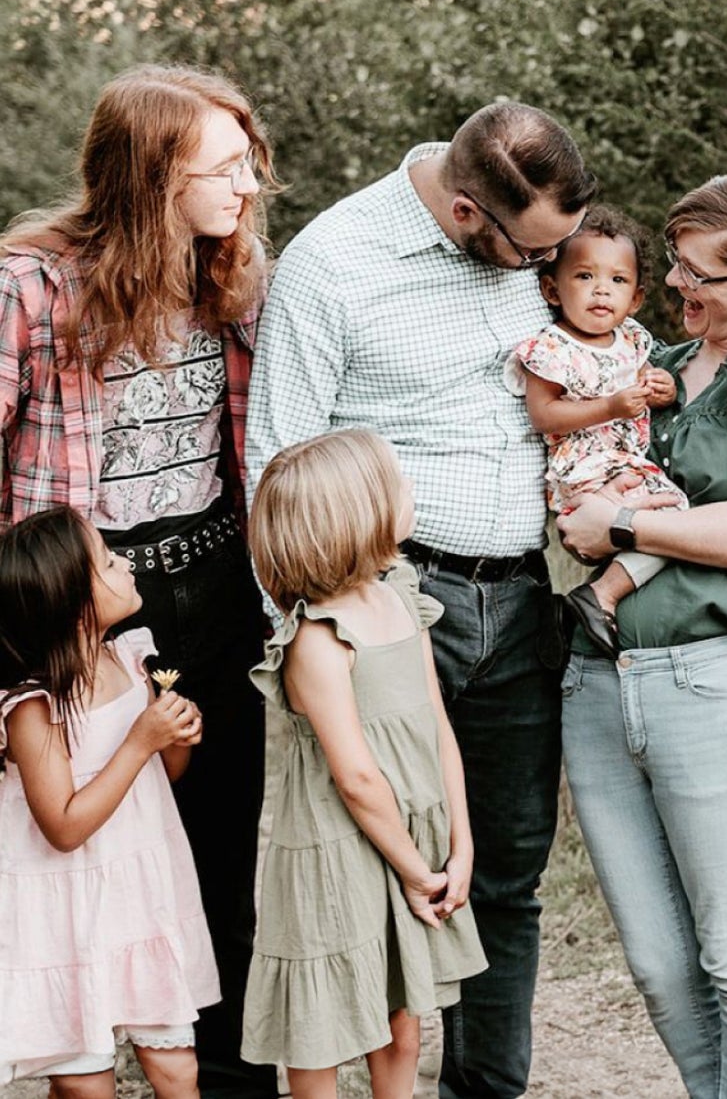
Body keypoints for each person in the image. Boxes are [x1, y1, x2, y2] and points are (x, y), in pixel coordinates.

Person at [246, 100, 595, 1099]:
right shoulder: (333, 263)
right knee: (370, 875)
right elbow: (277, 456)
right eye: (529, 250)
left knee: (507, 875)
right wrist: (311, 651)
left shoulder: (535, 254)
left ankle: (483, 1089)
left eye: (557, 249)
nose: (545, 268)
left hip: (523, 597)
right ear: (462, 211)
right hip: (388, 606)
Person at [0, 64, 278, 1099]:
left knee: (221, 843)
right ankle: (78, 1052)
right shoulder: (30, 288)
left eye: (248, 165)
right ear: (152, 177)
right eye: (225, 170)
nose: (248, 188)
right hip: (97, 605)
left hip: (217, 582)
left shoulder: (236, 276)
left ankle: (216, 1074)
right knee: (83, 841)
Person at [556, 168, 727, 1099]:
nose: (673, 284)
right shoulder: (659, 370)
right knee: (657, 964)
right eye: (675, 264)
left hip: (719, 689)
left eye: (695, 274)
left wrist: (621, 530)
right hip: (601, 684)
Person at [241, 430, 487, 1099]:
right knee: (322, 1032)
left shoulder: (401, 591)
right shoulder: (317, 640)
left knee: (402, 1023)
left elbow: (438, 725)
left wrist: (458, 848)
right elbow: (354, 775)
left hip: (412, 845)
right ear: (353, 516)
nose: (410, 493)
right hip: (337, 850)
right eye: (397, 485)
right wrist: (417, 871)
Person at [0, 506, 217, 1096]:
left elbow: (161, 777)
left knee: (178, 1069)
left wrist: (174, 735)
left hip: (141, 895)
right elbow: (64, 827)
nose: (126, 563)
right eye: (108, 561)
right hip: (66, 911)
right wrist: (140, 739)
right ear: (72, 603)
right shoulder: (32, 707)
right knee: (85, 1086)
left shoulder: (128, 658)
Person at [505, 204, 682, 655]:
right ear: (551, 288)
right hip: (582, 468)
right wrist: (608, 406)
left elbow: (645, 392)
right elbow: (544, 414)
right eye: (584, 277)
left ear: (636, 299)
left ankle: (596, 601)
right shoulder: (552, 348)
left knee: (672, 518)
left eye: (617, 281)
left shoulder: (634, 340)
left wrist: (662, 389)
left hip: (626, 462)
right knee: (663, 525)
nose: (601, 290)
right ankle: (599, 598)